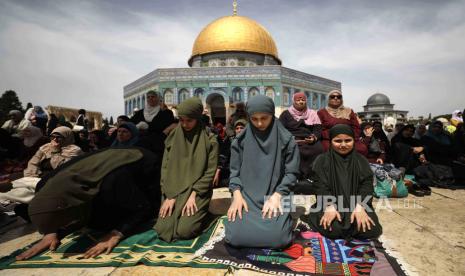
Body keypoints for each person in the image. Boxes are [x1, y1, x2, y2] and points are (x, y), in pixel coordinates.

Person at [15, 147, 161, 260]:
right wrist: (50, 232)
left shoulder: (112, 184)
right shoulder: (43, 187)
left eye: (62, 225)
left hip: (142, 163)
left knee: (106, 221)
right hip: (106, 171)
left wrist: (116, 234)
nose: (64, 228)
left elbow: (143, 208)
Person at [225, 95, 300, 249]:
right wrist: (237, 195)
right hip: (247, 197)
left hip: (276, 194)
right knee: (236, 237)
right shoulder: (240, 141)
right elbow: (234, 173)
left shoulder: (286, 140)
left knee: (278, 239)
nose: (259, 123)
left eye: (264, 118)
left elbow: (292, 173)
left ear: (272, 115)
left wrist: (278, 195)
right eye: (254, 119)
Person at [301, 124, 382, 240]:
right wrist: (329, 206)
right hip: (330, 204)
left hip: (356, 204)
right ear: (331, 141)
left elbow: (367, 186)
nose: (343, 145)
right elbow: (320, 186)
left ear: (354, 141)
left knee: (369, 230)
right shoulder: (322, 160)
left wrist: (360, 206)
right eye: (338, 141)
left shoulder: (361, 160)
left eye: (348, 140)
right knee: (334, 230)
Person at [154, 97, 218, 242]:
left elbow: (210, 171)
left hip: (197, 191)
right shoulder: (172, 138)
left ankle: (204, 214)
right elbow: (165, 168)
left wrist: (194, 194)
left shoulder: (210, 140)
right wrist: (169, 195)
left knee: (185, 231)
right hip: (173, 190)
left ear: (197, 118)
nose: (184, 124)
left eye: (189, 120)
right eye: (181, 120)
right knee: (163, 229)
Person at [279, 92, 324, 180]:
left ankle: (313, 176)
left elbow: (318, 128)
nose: (301, 102)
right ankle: (295, 176)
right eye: (298, 100)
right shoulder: (286, 114)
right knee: (294, 152)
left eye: (303, 100)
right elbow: (281, 129)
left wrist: (314, 137)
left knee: (319, 149)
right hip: (292, 140)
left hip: (309, 140)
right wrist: (289, 139)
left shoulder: (312, 113)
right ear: (293, 101)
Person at [317, 90, 368, 156]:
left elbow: (356, 127)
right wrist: (333, 136)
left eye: (338, 97)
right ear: (328, 99)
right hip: (330, 139)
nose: (336, 98)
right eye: (332, 97)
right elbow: (319, 128)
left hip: (348, 138)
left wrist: (350, 138)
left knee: (361, 149)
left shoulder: (349, 111)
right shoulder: (321, 112)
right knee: (327, 149)